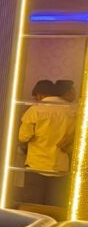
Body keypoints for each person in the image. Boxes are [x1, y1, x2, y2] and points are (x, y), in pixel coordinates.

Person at [19, 78, 76, 206]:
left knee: (34, 205)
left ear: (40, 95)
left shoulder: (34, 110)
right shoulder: (73, 111)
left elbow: (24, 137)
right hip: (61, 165)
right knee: (55, 205)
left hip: (37, 164)